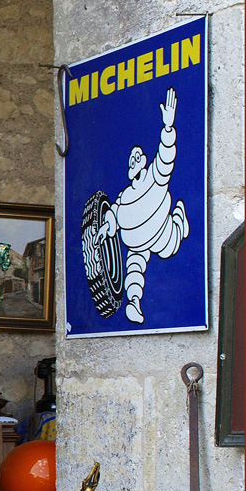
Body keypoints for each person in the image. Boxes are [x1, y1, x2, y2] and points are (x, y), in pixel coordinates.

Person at [96, 86, 188, 324]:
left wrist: (168, 127)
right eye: (132, 158)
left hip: (162, 231)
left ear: (144, 161)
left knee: (172, 241)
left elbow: (166, 157)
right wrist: (108, 227)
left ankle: (180, 221)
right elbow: (114, 212)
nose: (135, 159)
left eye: (138, 156)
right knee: (134, 271)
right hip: (135, 242)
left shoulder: (154, 178)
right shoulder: (125, 195)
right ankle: (134, 303)